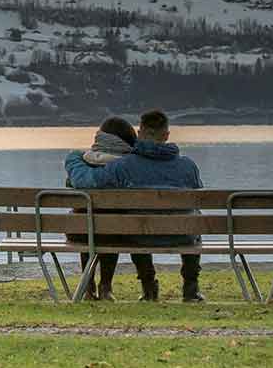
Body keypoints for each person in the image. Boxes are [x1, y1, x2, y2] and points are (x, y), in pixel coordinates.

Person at [63, 108, 205, 303]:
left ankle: (149, 288)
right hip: (184, 235)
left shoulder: (125, 166)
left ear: (140, 133)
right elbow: (198, 196)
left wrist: (74, 158)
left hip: (141, 236)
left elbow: (85, 180)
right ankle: (191, 289)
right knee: (193, 216)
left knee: (139, 222)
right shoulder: (188, 166)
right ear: (167, 135)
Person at [64, 116, 138, 301]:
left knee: (85, 220)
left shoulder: (81, 163)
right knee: (111, 225)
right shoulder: (129, 166)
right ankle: (106, 286)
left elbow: (69, 183)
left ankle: (88, 286)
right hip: (116, 232)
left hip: (78, 232)